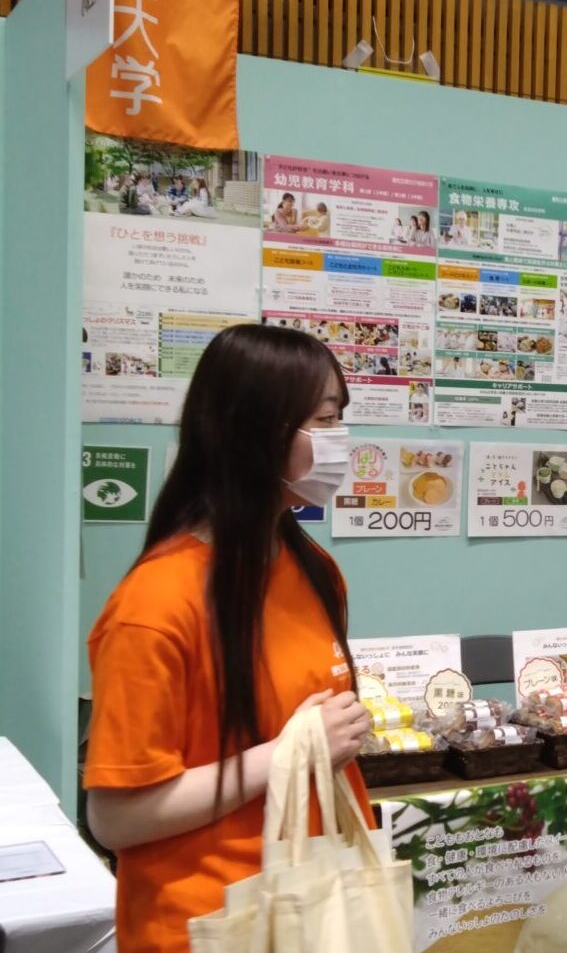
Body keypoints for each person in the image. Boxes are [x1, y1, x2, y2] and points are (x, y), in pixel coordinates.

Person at [83, 324, 373, 953]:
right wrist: (291, 751)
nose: (340, 441)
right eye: (324, 420)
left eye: (339, 418)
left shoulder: (314, 569)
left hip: (312, 907)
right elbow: (116, 819)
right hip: (209, 925)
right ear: (255, 432)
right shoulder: (155, 604)